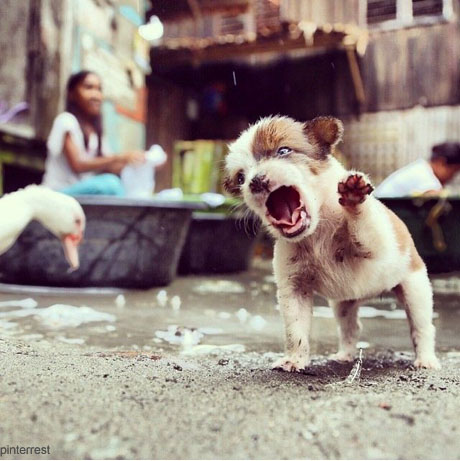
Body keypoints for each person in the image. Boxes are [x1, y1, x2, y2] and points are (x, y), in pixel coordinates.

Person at [42, 70, 145, 196]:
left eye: (99, 89)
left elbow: (109, 166)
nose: (96, 95)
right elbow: (78, 165)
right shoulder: (66, 121)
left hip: (84, 194)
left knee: (123, 184)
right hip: (60, 193)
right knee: (111, 184)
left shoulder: (96, 131)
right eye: (88, 87)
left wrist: (135, 162)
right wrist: (120, 157)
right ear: (72, 94)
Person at [375, 142, 460, 197]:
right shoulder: (424, 175)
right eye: (453, 172)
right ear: (441, 163)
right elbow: (436, 196)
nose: (452, 177)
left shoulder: (421, 168)